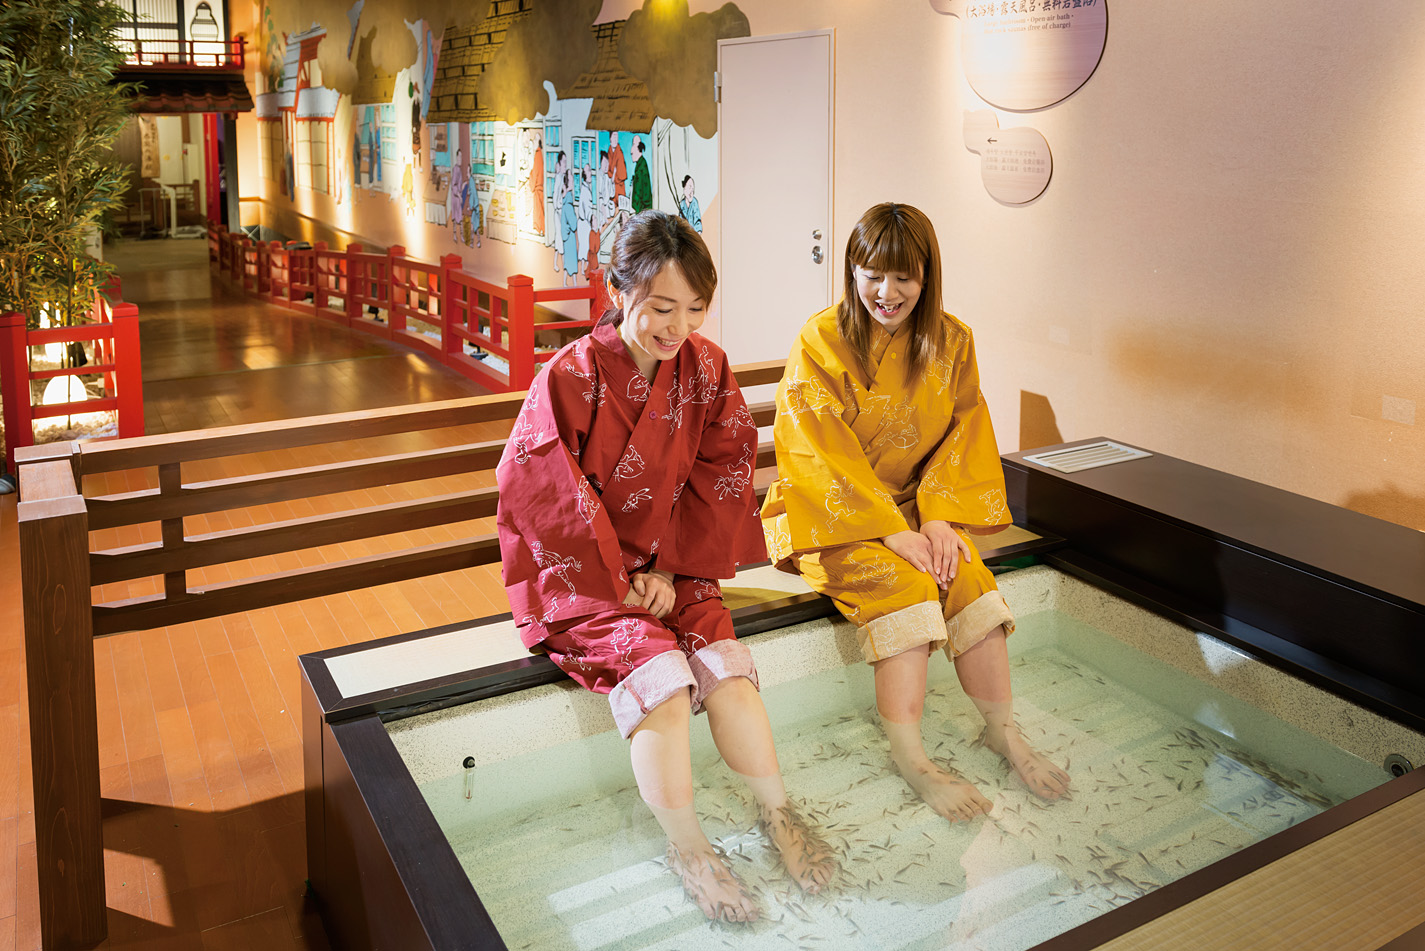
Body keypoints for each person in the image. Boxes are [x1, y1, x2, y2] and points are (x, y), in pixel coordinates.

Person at [496, 210, 837, 921]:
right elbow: (543, 492)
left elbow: (723, 470)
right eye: (659, 307)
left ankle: (778, 814)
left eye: (694, 308)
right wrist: (622, 578)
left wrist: (675, 572)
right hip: (587, 580)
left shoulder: (707, 369)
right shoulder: (568, 377)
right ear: (617, 290)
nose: (677, 326)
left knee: (725, 669)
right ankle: (690, 850)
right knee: (664, 684)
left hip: (676, 567)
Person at [762, 202, 1071, 823]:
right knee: (906, 587)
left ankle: (1002, 731)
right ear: (851, 271)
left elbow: (963, 431)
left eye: (903, 276)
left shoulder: (952, 341)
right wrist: (889, 531)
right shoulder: (820, 340)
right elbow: (815, 453)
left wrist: (937, 519)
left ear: (927, 276)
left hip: (915, 509)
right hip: (831, 515)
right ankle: (912, 758)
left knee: (967, 574)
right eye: (872, 274)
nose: (887, 292)